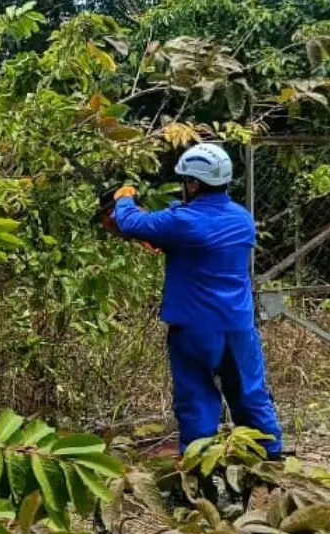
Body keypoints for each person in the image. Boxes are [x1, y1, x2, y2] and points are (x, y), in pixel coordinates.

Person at [111, 143, 284, 460]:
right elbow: (200, 242)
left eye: (185, 180)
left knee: (197, 403)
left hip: (194, 331)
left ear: (193, 183)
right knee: (251, 397)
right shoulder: (242, 219)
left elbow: (130, 223)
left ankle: (200, 480)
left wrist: (124, 199)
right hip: (238, 326)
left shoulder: (181, 222)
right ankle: (271, 468)